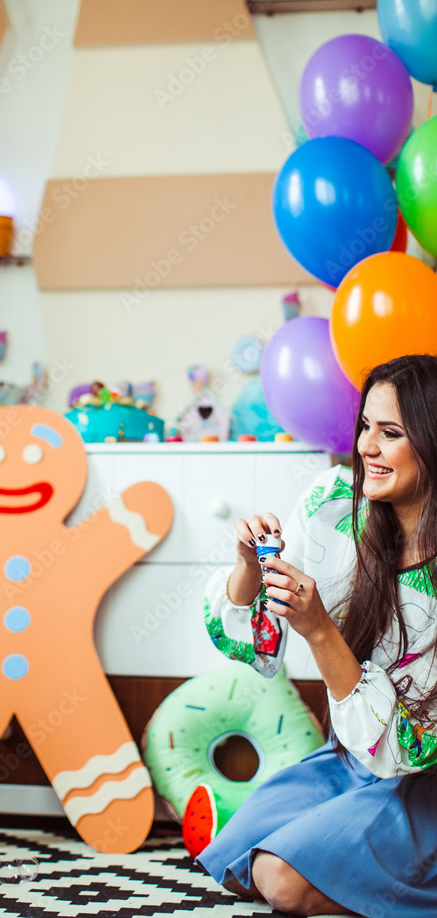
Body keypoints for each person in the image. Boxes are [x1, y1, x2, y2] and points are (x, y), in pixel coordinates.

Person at [198, 354, 437, 918]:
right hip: (350, 758)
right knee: (237, 864)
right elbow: (257, 646)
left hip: (418, 778)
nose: (366, 448)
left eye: (391, 433)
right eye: (365, 427)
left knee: (282, 881)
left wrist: (321, 630)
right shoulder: (334, 504)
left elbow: (409, 748)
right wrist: (250, 569)